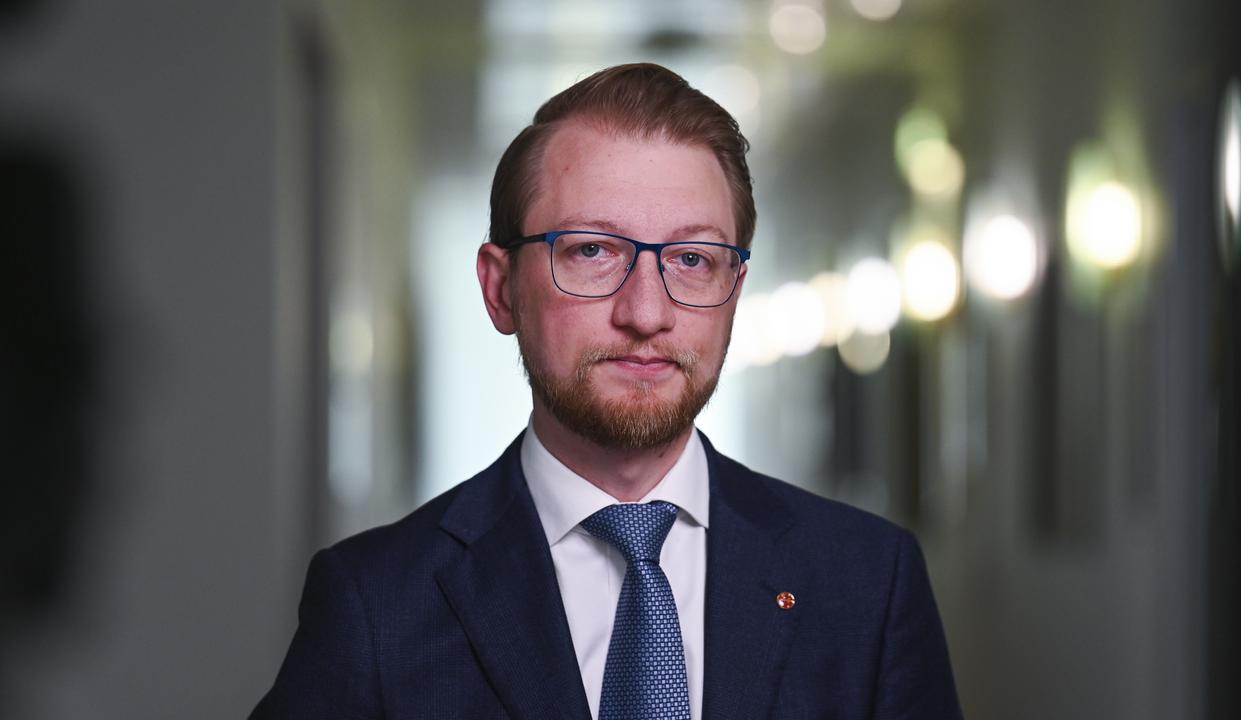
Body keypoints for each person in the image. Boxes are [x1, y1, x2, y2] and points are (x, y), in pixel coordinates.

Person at [251, 62, 962, 720]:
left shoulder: (868, 583)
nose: (647, 313)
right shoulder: (376, 604)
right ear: (501, 290)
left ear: (735, 291)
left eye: (692, 259)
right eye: (592, 250)